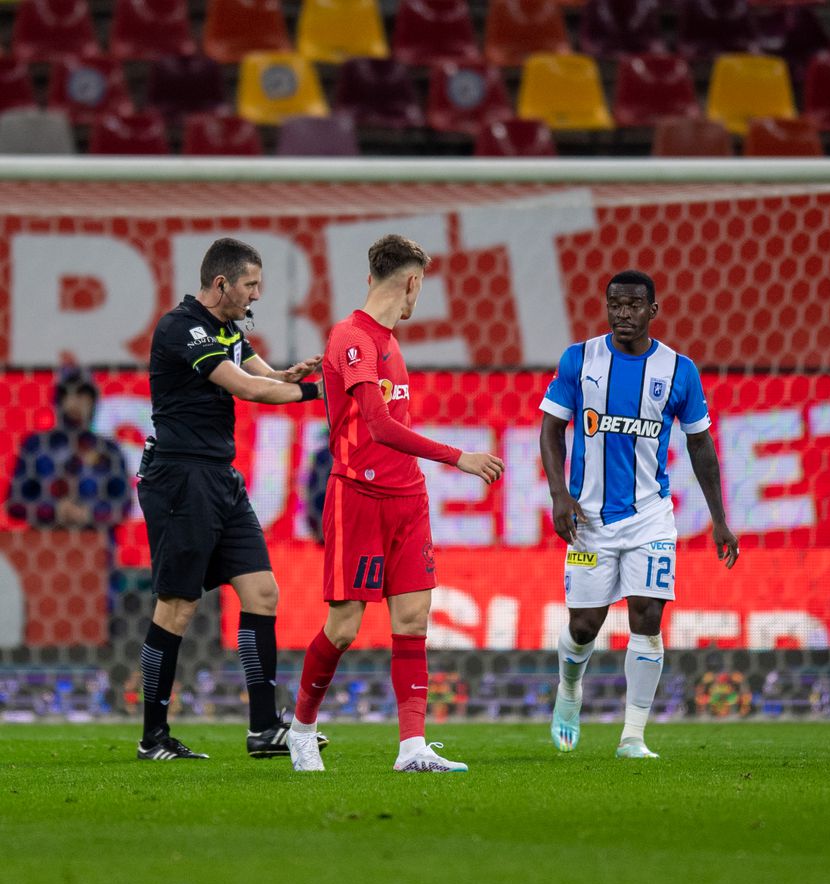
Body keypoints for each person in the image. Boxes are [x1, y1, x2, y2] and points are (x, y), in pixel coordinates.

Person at [285, 234, 504, 773]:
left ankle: (412, 747)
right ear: (410, 282)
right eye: (419, 287)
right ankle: (301, 730)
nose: (416, 299)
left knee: (413, 618)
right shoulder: (352, 337)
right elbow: (379, 426)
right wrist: (459, 458)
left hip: (407, 498)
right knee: (344, 627)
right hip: (358, 495)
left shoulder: (386, 338)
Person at [136, 237, 326, 760]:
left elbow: (266, 377)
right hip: (179, 477)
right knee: (177, 606)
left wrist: (294, 376)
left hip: (220, 477)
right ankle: (153, 737)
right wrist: (326, 391)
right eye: (250, 285)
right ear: (221, 284)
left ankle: (263, 729)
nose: (256, 295)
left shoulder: (227, 330)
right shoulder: (182, 327)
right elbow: (249, 390)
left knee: (262, 593)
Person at [539, 269, 739, 759]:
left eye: (632, 305)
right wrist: (559, 495)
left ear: (654, 310)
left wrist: (719, 518)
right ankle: (569, 690)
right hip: (588, 520)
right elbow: (550, 430)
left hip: (651, 517)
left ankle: (633, 737)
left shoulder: (678, 370)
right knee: (585, 625)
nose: (622, 313)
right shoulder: (580, 359)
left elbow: (700, 444)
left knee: (647, 617)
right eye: (615, 304)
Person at [7, 364, 131, 531]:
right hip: (45, 542)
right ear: (59, 400)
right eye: (69, 394)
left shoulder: (108, 450)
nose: (76, 402)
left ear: (93, 401)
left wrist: (91, 513)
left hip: (95, 543)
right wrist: (53, 510)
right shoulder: (37, 445)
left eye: (83, 394)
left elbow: (124, 504)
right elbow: (15, 502)